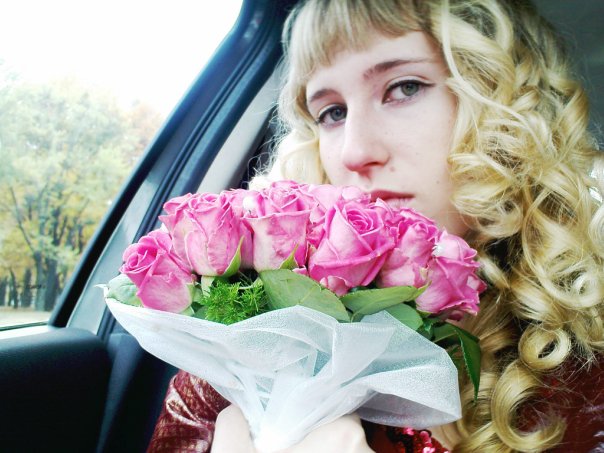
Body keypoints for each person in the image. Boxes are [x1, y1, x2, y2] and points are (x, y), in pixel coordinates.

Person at [147, 0, 604, 451]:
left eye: (404, 88)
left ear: (501, 107)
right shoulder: (240, 359)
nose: (354, 152)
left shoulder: (585, 377)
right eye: (332, 113)